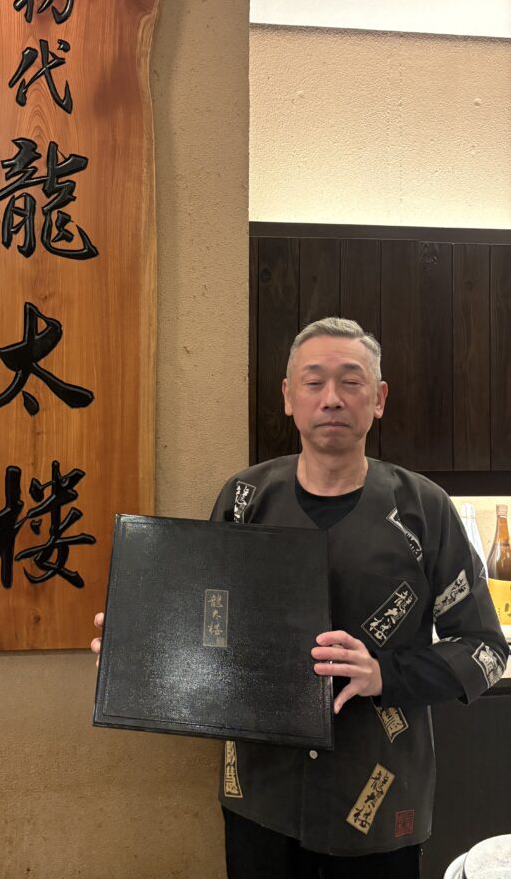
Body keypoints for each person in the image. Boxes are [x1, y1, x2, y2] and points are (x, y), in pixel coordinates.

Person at [91, 317, 508, 879]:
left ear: (379, 398)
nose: (331, 397)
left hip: (380, 799)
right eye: (314, 382)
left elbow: (486, 650)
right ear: (288, 397)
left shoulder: (424, 509)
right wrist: (139, 651)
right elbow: (210, 625)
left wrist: (383, 674)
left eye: (351, 381)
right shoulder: (244, 498)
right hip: (260, 797)